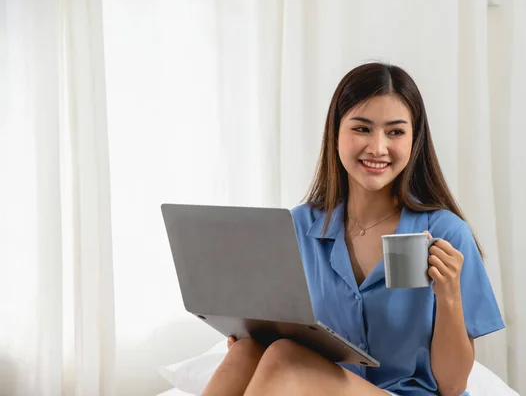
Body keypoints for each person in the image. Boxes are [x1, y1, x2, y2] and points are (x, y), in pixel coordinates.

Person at [201, 62, 505, 396]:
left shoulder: (447, 232)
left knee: (286, 358)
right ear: (336, 133)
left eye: (395, 132)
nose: (378, 148)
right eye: (362, 129)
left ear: (414, 140)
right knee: (248, 352)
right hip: (319, 387)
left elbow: (452, 385)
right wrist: (252, 334)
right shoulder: (298, 227)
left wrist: (448, 296)